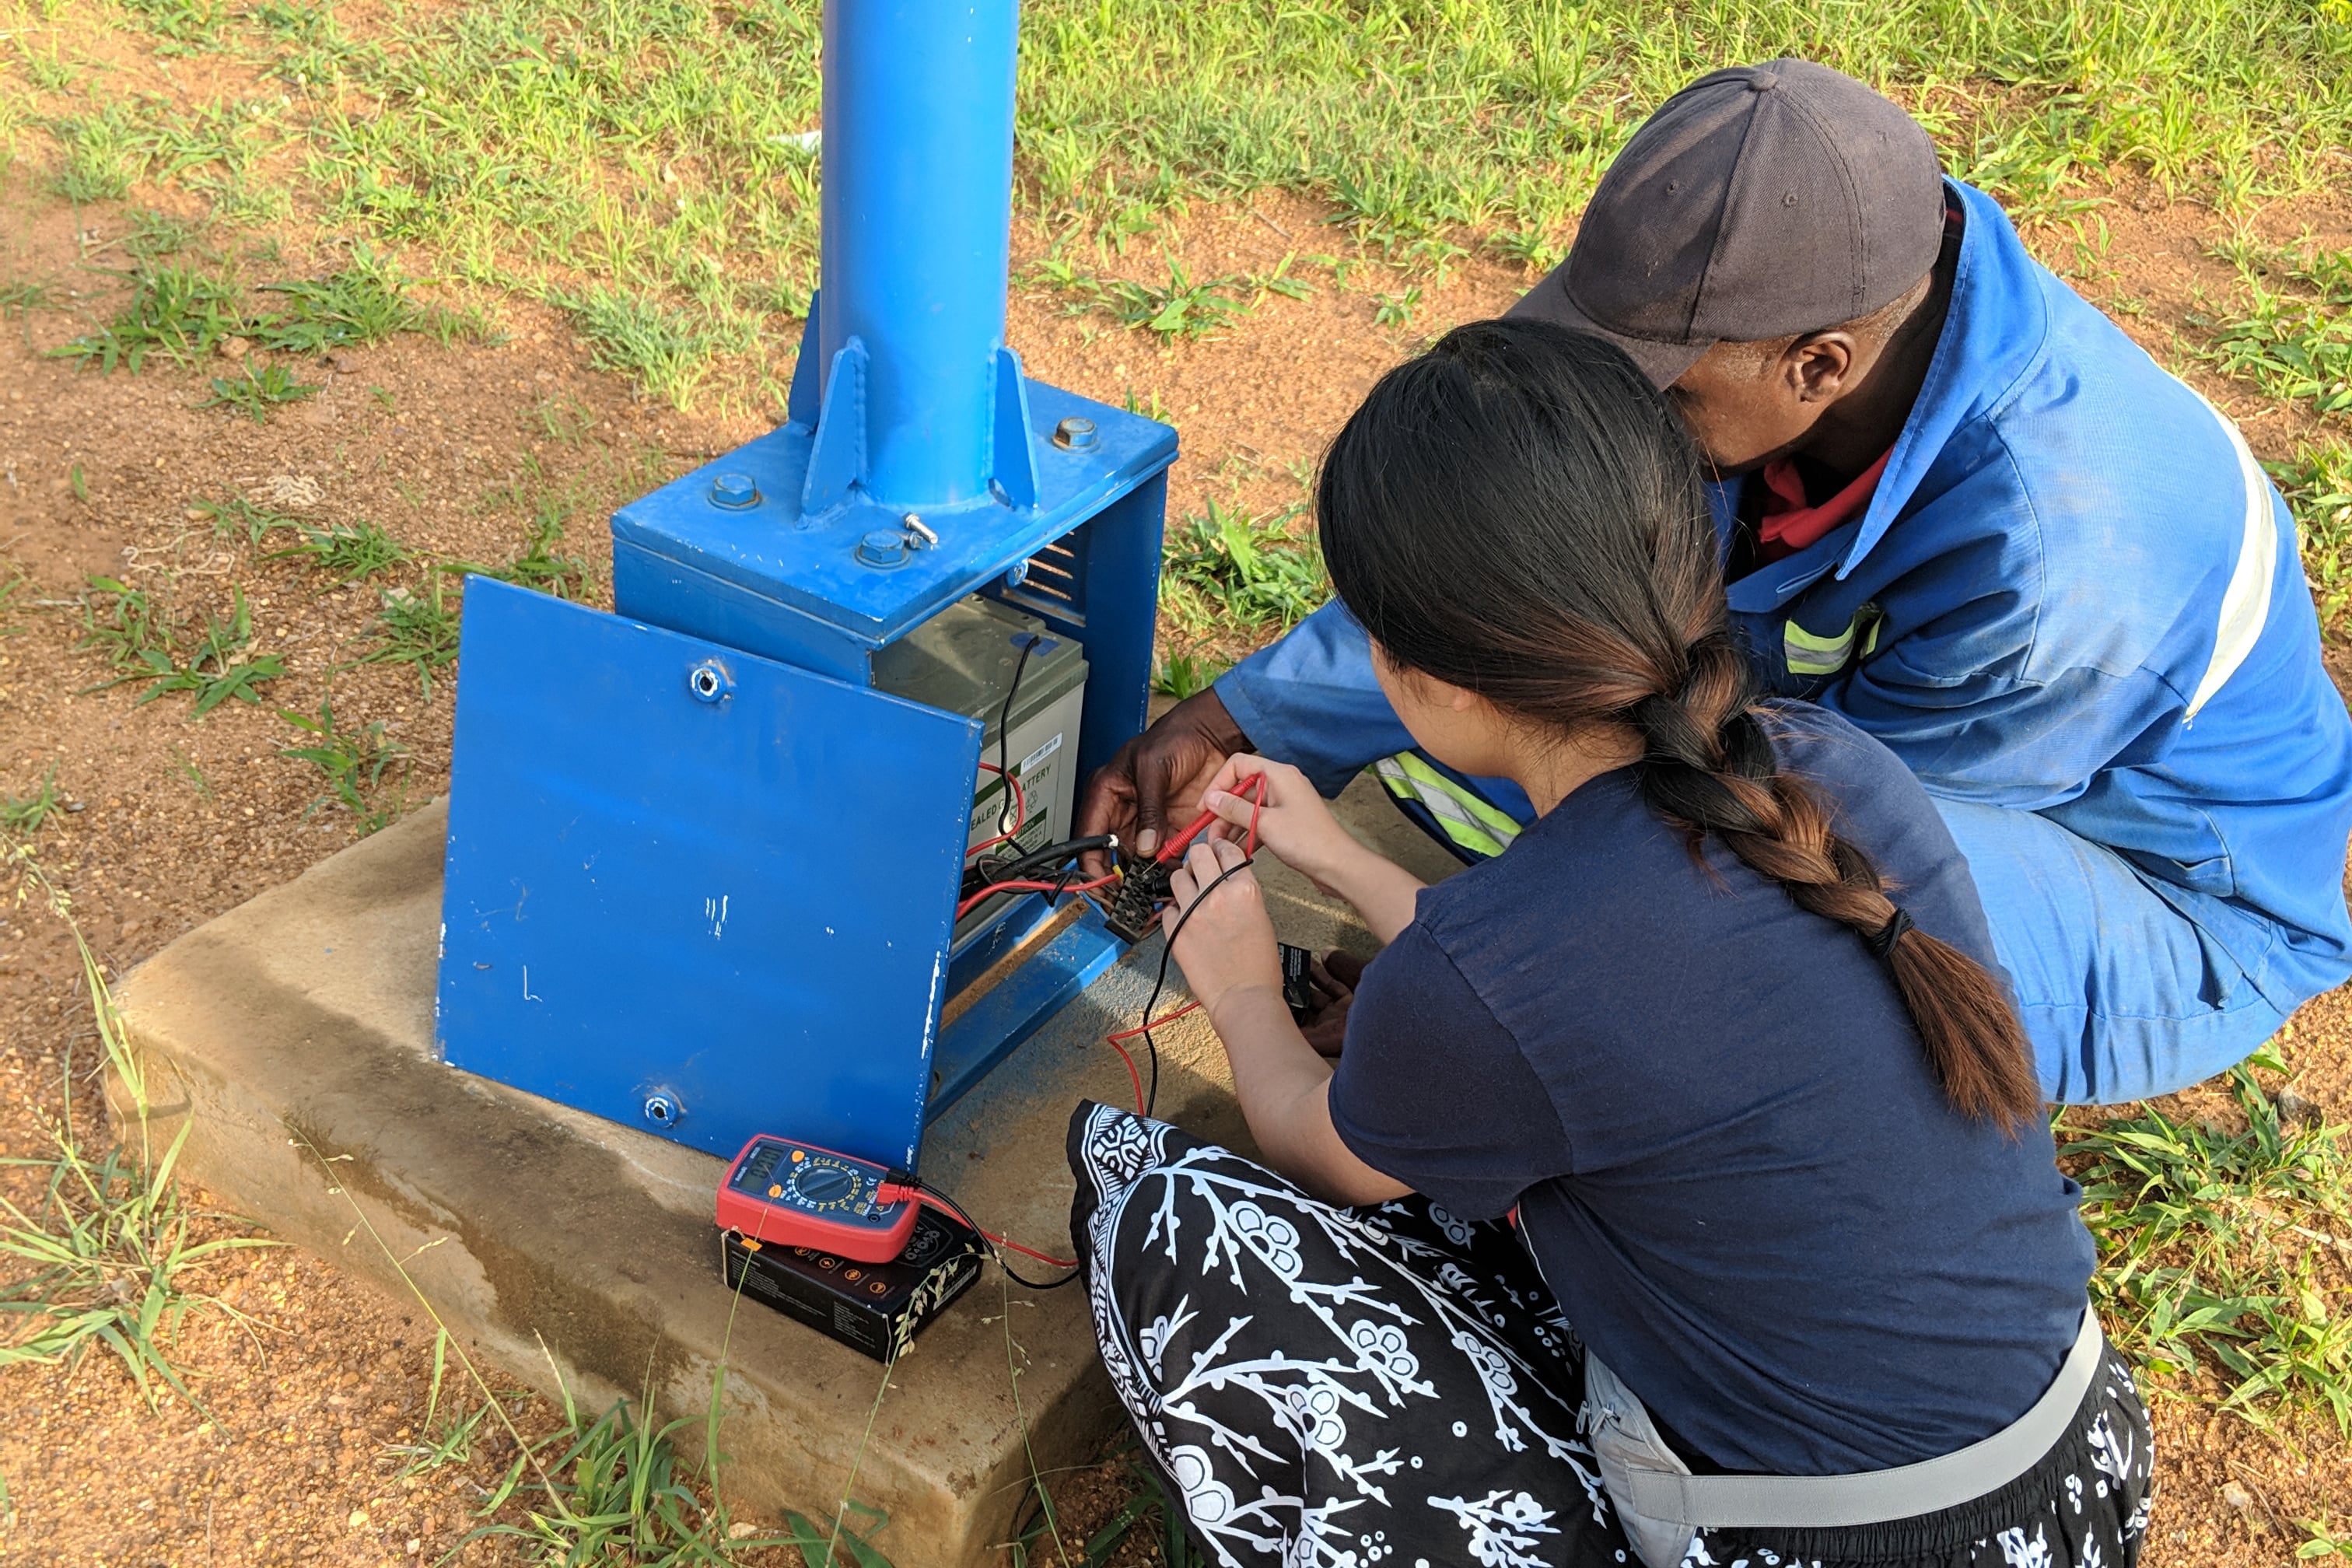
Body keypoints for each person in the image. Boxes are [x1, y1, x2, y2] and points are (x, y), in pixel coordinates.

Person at [1071, 320, 2151, 1568]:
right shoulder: (1825, 773)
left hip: (1830, 1546)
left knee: (1167, 1212)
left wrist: (1242, 982)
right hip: (2072, 1472)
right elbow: (1576, 990)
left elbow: (1328, 1146)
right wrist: (1343, 857)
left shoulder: (1497, 967)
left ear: (1411, 674)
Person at [1078, 58, 2352, 1105]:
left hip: (2149, 904)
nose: (1629, 408)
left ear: (1819, 365)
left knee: (1770, 924)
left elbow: (1833, 843)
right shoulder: (1822, 277)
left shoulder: (2055, 557)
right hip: (1884, 760)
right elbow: (1522, 563)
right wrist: (1234, 718)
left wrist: (1494, 989)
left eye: (1660, 382)